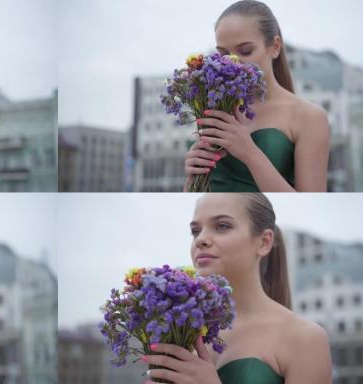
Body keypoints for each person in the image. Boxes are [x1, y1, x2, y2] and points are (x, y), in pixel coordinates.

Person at [145, 193, 332, 383]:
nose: (201, 239)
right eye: (195, 231)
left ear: (264, 242)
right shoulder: (183, 333)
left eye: (222, 226)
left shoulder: (305, 338)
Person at [184, 0, 329, 192]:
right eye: (223, 55)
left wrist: (249, 152)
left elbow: (311, 205)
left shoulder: (309, 116)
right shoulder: (217, 108)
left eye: (245, 51)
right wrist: (192, 177)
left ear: (275, 46)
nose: (233, 62)